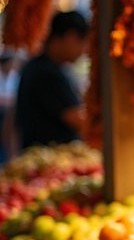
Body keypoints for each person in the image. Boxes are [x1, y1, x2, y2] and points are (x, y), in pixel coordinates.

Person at [11, 11, 88, 154]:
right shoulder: (47, 73)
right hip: (47, 160)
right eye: (82, 42)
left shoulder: (37, 66)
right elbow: (76, 119)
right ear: (70, 37)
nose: (84, 51)